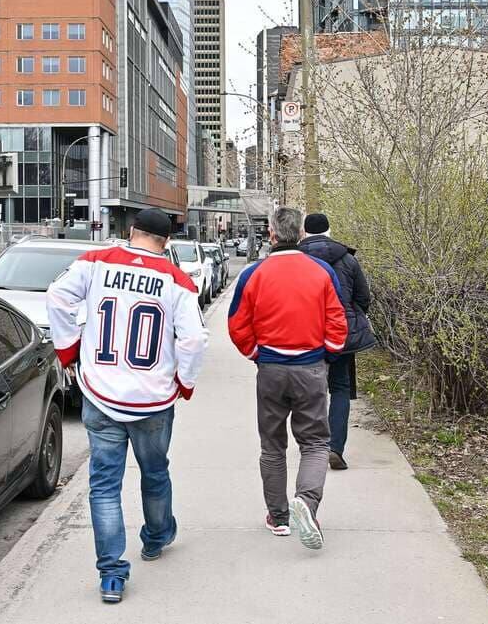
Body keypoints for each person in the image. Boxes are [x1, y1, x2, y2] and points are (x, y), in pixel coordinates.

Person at [46, 209, 209, 604]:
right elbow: (193, 341)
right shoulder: (178, 282)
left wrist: (69, 350)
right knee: (154, 471)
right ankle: (155, 537)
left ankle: (112, 575)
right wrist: (184, 383)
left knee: (104, 485)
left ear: (130, 232)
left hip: (101, 394)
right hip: (152, 399)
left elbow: (57, 297)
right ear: (167, 242)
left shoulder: (96, 263)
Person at [227, 206, 348, 550]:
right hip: (310, 367)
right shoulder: (322, 271)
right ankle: (306, 504)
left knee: (272, 445)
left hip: (271, 369)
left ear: (272, 234)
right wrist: (327, 354)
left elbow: (238, 323)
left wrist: (256, 354)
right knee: (315, 442)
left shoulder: (254, 274)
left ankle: (278, 517)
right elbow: (338, 320)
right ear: (302, 234)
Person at [299, 212, 376, 471]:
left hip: (307, 335)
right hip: (341, 334)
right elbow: (364, 297)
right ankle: (335, 448)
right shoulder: (347, 259)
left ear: (304, 232)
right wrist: (351, 317)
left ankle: (311, 449)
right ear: (329, 230)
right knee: (340, 388)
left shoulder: (297, 259)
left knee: (309, 392)